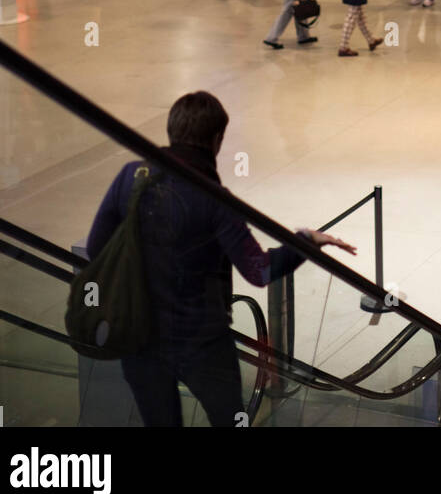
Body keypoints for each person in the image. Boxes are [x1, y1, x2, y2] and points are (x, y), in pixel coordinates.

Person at [85, 91, 355, 427]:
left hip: (139, 338)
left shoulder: (131, 176)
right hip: (203, 343)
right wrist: (306, 242)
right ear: (216, 140)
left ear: (171, 130)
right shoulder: (215, 199)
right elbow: (260, 270)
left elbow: (97, 248)